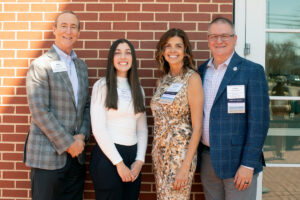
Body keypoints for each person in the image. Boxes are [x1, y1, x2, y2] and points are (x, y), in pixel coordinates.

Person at [197, 17, 270, 200]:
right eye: (213, 36)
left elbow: (259, 122)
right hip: (208, 159)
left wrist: (248, 164)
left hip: (238, 163)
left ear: (235, 39)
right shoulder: (200, 72)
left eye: (224, 36)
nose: (219, 41)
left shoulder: (252, 71)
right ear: (208, 40)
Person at [24, 10, 90, 200]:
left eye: (73, 27)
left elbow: (85, 106)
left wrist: (82, 137)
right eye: (63, 26)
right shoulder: (40, 65)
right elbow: (39, 111)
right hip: (47, 157)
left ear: (78, 32)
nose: (68, 31)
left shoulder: (82, 67)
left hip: (76, 159)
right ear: (54, 29)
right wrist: (69, 143)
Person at [89, 39, 148, 200]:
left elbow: (142, 129)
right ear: (111, 58)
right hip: (108, 158)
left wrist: (139, 161)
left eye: (128, 52)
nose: (123, 57)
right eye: (118, 52)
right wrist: (119, 164)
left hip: (132, 156)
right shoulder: (102, 86)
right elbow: (98, 129)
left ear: (133, 58)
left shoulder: (138, 90)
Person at [151, 28, 204, 199]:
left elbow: (197, 128)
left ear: (185, 51)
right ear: (163, 51)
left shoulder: (192, 79)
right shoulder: (163, 80)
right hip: (160, 153)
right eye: (168, 46)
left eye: (178, 46)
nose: (173, 50)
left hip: (180, 155)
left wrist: (185, 166)